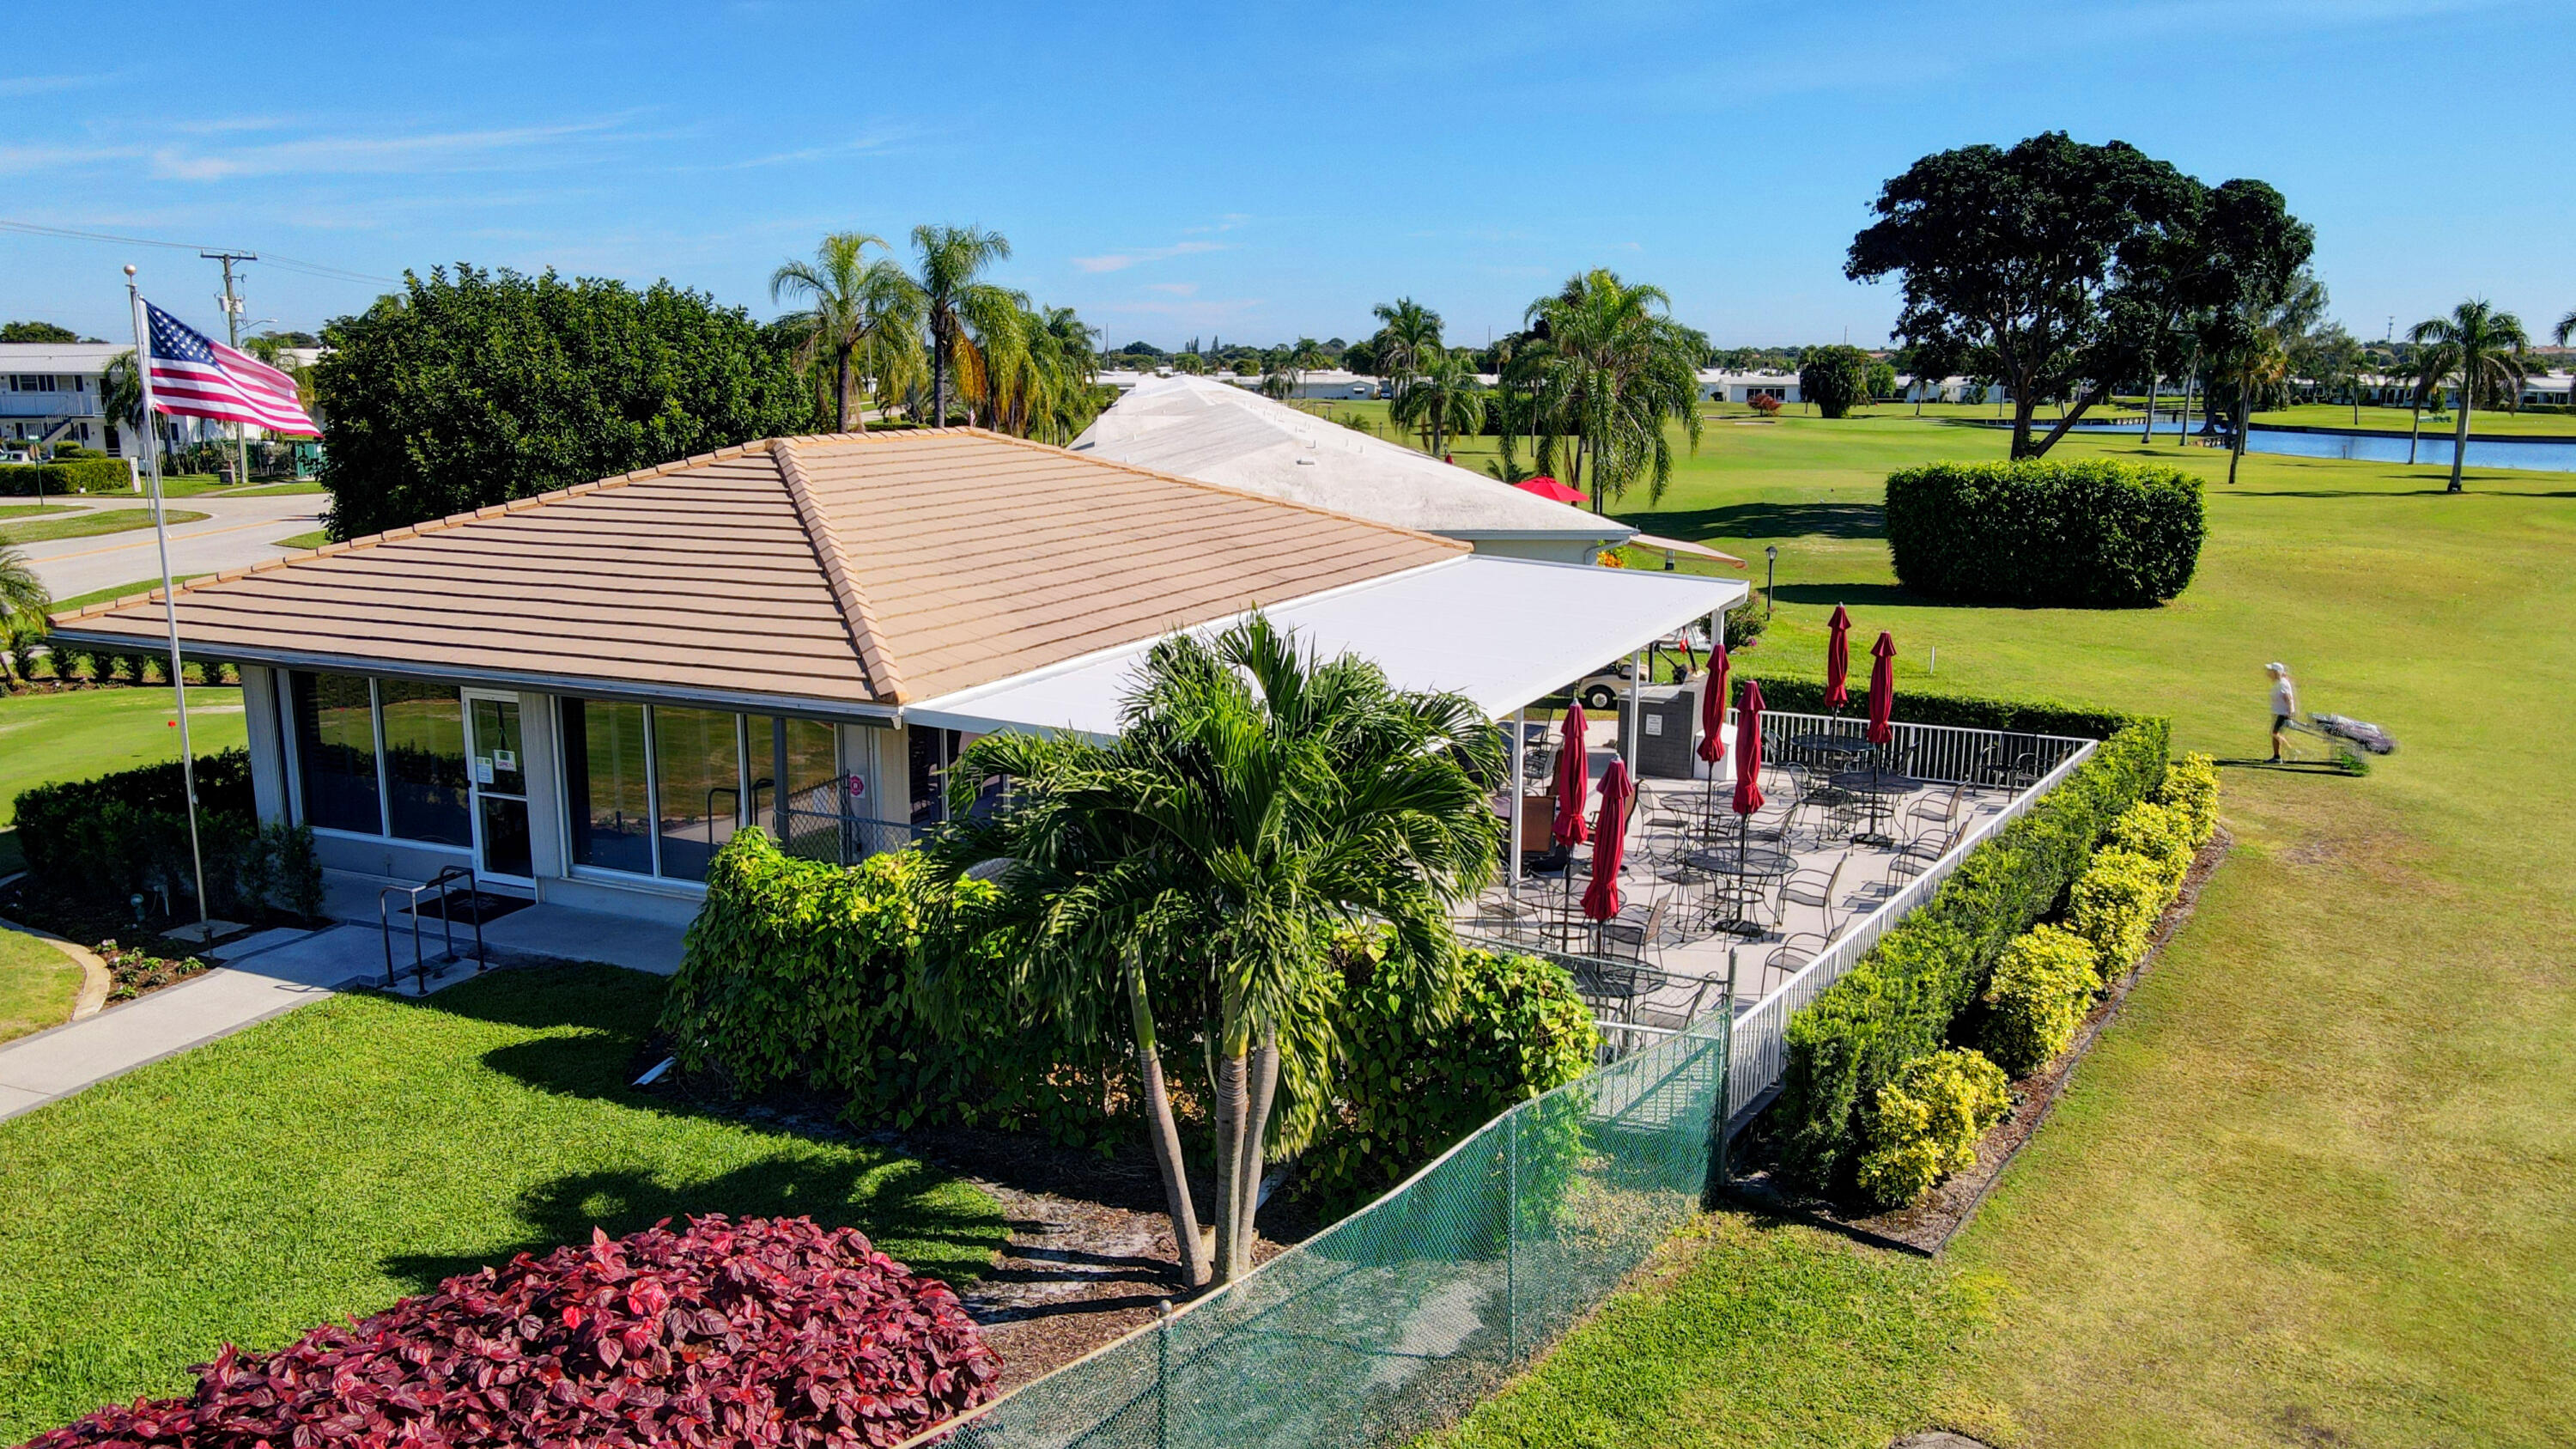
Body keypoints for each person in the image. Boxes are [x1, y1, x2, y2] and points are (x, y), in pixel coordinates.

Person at [2267, 662, 2297, 762]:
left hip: (2283, 714)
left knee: (2275, 733)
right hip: (2277, 713)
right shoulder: (2278, 682)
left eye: (2271, 671)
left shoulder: (2283, 684)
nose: (2268, 673)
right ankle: (2277, 756)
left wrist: (2290, 713)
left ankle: (2289, 752)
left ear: (2277, 672)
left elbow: (2289, 699)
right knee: (2274, 734)